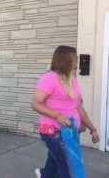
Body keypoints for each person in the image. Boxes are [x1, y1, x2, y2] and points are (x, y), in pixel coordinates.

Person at [31, 46, 99, 178]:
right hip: (53, 131)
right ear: (65, 61)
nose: (77, 63)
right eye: (75, 60)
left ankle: (44, 174)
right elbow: (35, 104)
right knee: (67, 166)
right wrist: (57, 115)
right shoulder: (49, 78)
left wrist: (92, 128)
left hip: (71, 131)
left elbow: (78, 107)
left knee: (56, 160)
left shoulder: (72, 80)